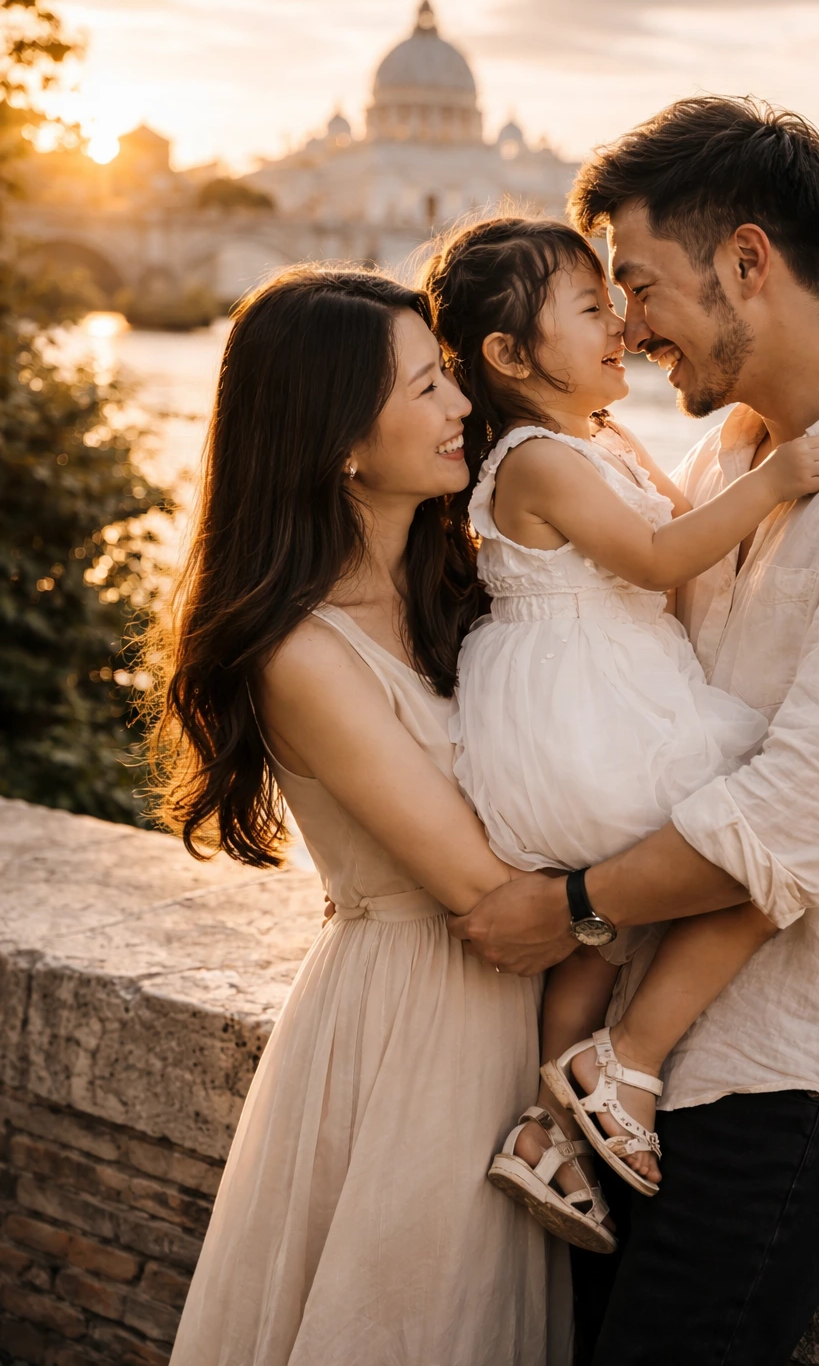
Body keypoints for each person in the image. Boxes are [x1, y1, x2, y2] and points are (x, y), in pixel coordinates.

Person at [448, 97, 819, 1366]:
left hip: (788, 1078)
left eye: (640, 285)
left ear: (747, 263)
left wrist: (571, 905)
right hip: (631, 1072)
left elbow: (804, 814)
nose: (627, 323)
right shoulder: (717, 466)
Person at [155, 267, 572, 1366]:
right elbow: (483, 890)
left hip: (502, 1018)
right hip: (413, 1027)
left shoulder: (468, 585)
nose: (463, 408)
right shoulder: (300, 652)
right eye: (429, 385)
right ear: (339, 437)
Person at [420, 219, 819, 1245]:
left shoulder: (592, 440)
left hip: (589, 707)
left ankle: (544, 1131)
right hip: (585, 718)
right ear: (512, 358)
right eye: (592, 310)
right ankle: (623, 1064)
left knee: (601, 933)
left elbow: (659, 522)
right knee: (769, 840)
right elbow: (656, 557)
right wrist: (772, 482)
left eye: (617, 301)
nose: (622, 324)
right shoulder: (537, 460)